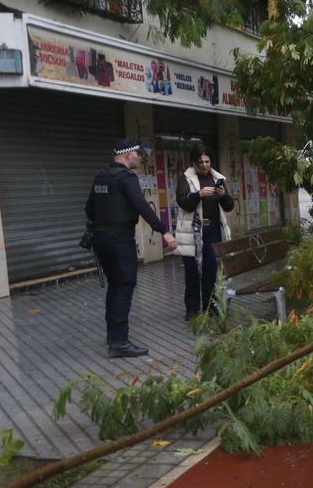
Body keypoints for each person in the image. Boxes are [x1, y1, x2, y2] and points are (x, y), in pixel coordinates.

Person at [85, 139, 177, 358]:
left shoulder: (101, 176)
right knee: (124, 286)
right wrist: (162, 230)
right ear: (128, 155)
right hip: (119, 239)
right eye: (137, 154)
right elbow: (141, 205)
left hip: (101, 239)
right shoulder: (127, 178)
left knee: (115, 286)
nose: (139, 157)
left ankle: (113, 335)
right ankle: (119, 342)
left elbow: (89, 209)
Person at [174, 148, 235, 319]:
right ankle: (192, 310)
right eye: (201, 162)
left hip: (213, 229)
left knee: (211, 271)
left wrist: (223, 196)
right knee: (192, 271)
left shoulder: (217, 178)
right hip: (193, 231)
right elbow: (183, 202)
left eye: (207, 162)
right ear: (194, 163)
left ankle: (211, 307)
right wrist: (198, 195)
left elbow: (229, 206)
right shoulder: (186, 178)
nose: (204, 165)